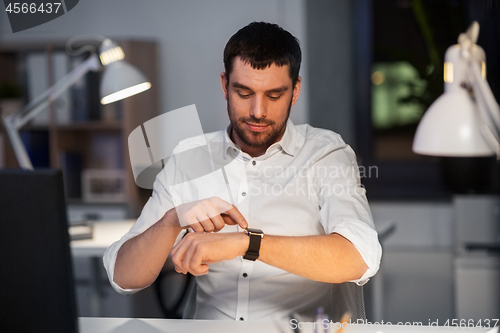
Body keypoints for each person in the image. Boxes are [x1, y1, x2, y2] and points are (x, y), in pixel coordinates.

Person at [104, 21, 382, 322]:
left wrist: (246, 242)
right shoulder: (189, 157)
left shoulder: (326, 154)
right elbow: (123, 277)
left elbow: (360, 256)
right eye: (244, 93)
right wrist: (170, 222)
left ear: (295, 90)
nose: (258, 111)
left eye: (274, 95)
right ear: (225, 85)